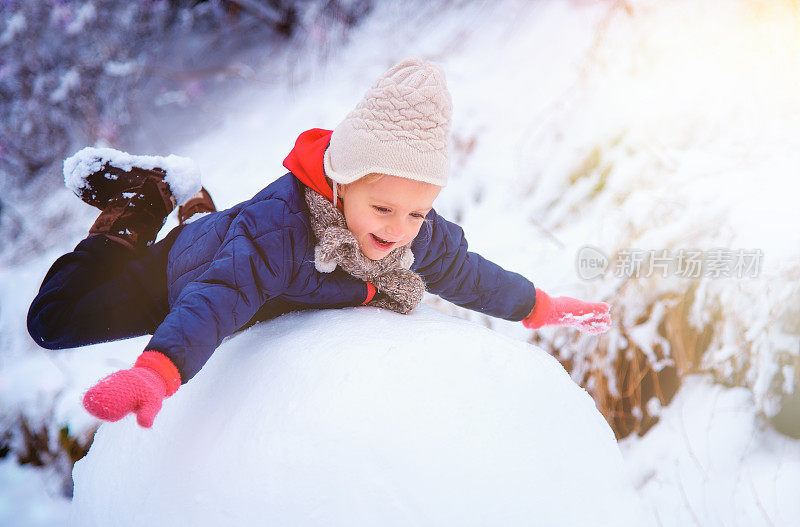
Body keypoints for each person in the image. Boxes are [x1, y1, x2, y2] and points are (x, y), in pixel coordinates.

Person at [27, 58, 611, 429]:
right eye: (382, 208)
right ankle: (136, 212)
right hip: (177, 274)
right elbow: (215, 302)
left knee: (232, 245)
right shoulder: (280, 235)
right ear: (337, 183)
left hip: (228, 244)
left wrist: (541, 306)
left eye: (418, 211)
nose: (399, 228)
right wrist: (158, 371)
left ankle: (195, 204)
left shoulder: (407, 234)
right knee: (53, 322)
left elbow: (468, 275)